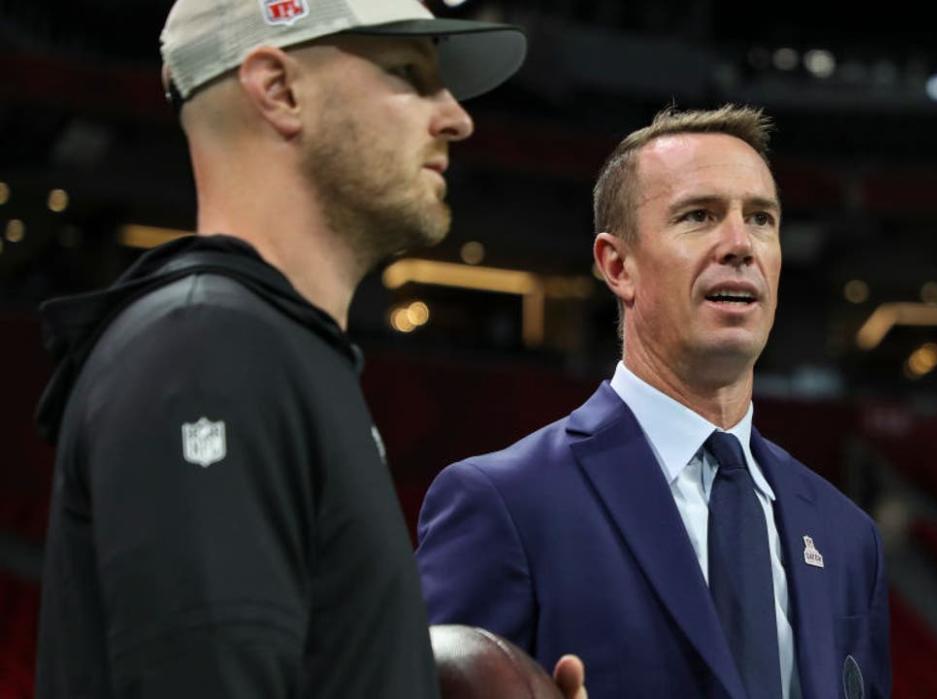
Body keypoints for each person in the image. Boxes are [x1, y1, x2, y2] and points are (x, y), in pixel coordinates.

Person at [32, 0, 585, 696]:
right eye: (411, 75)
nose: (457, 116)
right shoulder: (210, 349)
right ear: (280, 90)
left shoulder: (268, 347)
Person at [417, 105, 891, 699]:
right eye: (699, 215)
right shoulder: (504, 503)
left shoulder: (848, 537)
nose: (740, 243)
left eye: (762, 219)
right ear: (618, 265)